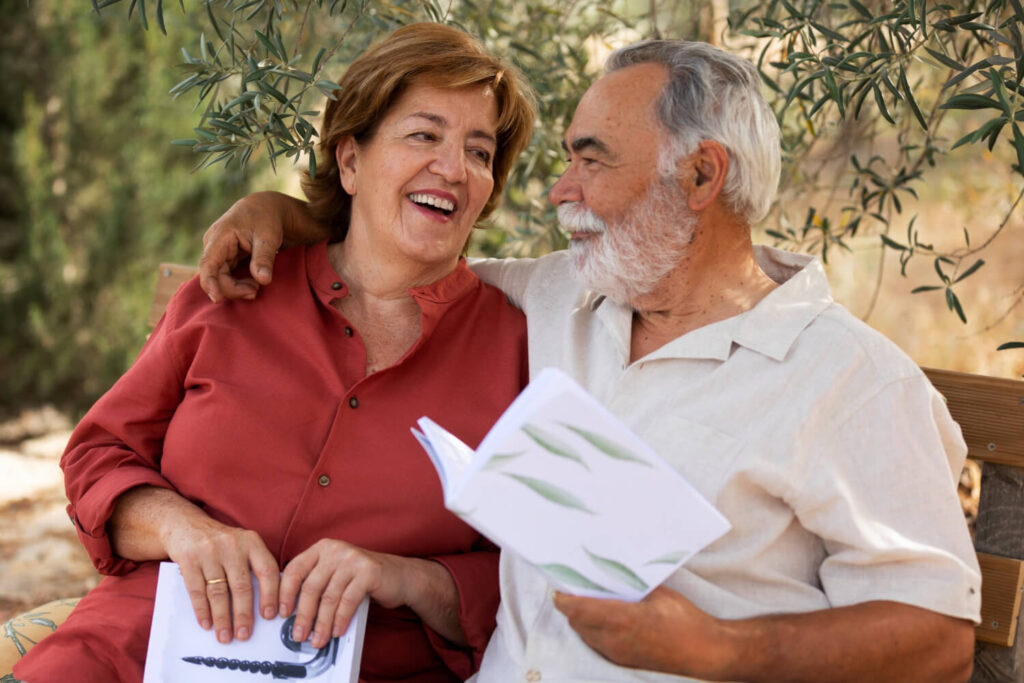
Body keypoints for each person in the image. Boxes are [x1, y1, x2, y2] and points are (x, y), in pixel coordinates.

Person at [195, 39, 981, 682]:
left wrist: (720, 648)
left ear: (702, 174)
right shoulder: (563, 293)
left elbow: (939, 639)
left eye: (591, 161)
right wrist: (282, 213)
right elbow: (395, 247)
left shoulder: (851, 379)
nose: (558, 191)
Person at [14, 23, 536, 683]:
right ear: (350, 161)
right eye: (424, 135)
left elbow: (530, 571)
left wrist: (405, 576)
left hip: (372, 665)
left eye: (480, 150)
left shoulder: (515, 348)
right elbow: (97, 456)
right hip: (140, 648)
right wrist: (180, 526)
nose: (455, 169)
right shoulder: (236, 288)